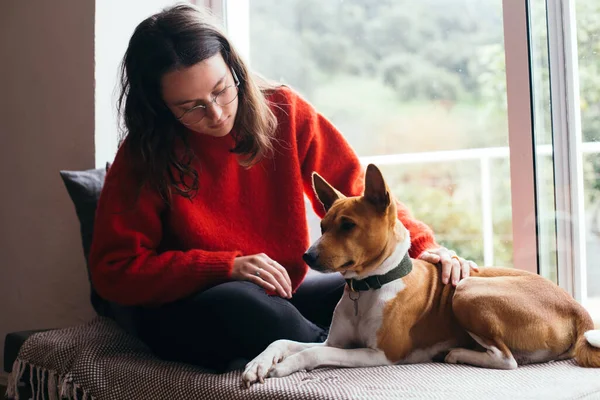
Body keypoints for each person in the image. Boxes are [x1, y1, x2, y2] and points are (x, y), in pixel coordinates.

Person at [88, 3, 478, 372]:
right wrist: (227, 266)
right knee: (244, 306)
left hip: (278, 290)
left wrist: (425, 248)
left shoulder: (284, 111)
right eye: (190, 106)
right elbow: (113, 271)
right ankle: (346, 359)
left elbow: (359, 194)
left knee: (369, 290)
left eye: (222, 89)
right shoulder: (145, 154)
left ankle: (364, 346)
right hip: (189, 303)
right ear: (159, 106)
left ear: (234, 68)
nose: (217, 113)